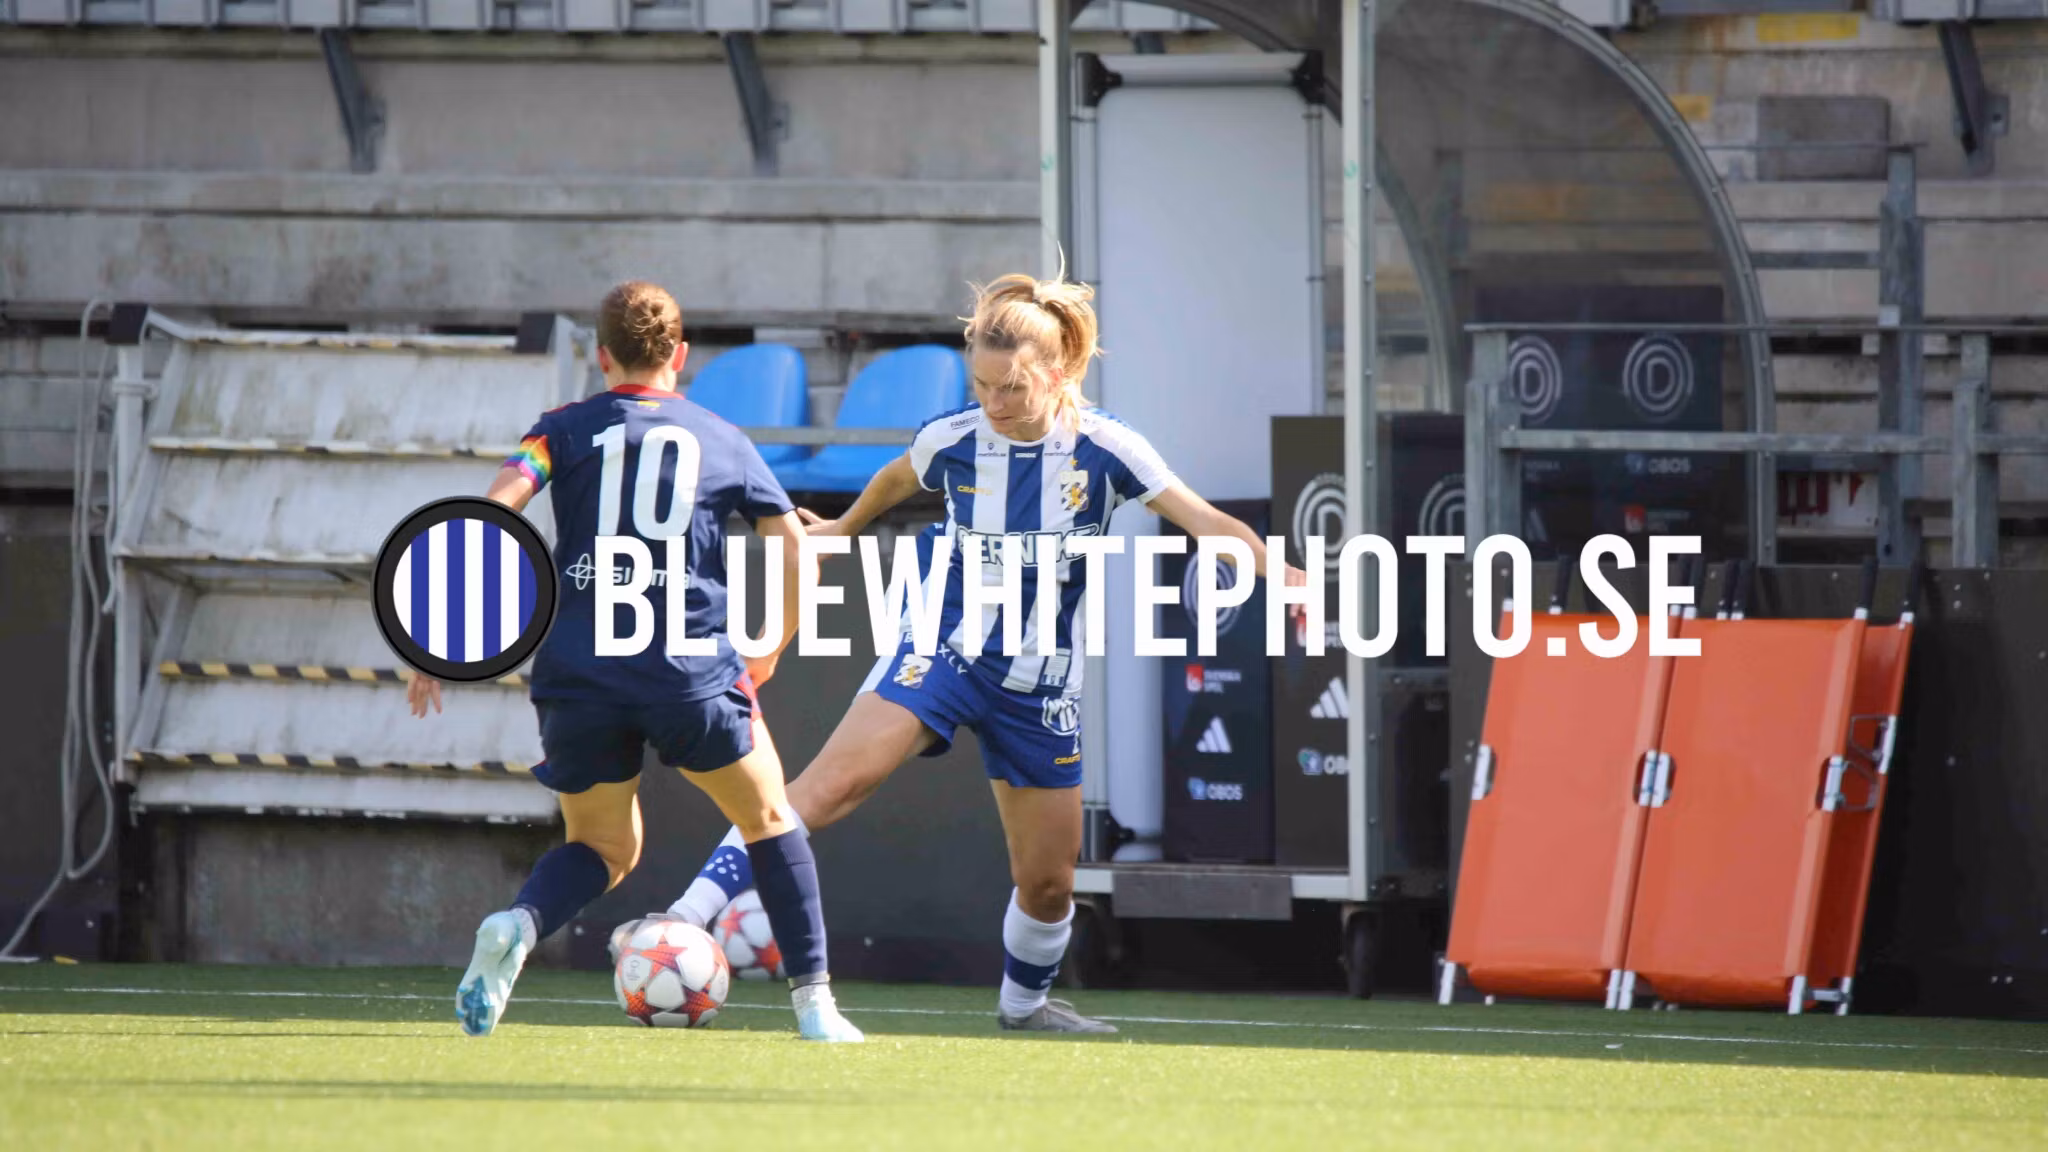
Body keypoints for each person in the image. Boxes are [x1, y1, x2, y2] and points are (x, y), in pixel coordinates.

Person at [621, 272, 1307, 1033]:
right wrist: (843, 530)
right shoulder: (952, 438)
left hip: (1040, 683)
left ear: (1055, 373)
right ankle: (683, 916)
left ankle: (1025, 1007)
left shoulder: (1107, 448)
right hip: (941, 646)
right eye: (981, 385)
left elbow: (1205, 520)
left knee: (1047, 886)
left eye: (1010, 387)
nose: (994, 403)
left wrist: (1277, 572)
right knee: (831, 785)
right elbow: (894, 478)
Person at [406, 279, 862, 1043]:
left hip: (579, 677)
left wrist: (441, 639)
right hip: (689, 676)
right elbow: (796, 552)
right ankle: (815, 1006)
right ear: (680, 356)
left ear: (601, 354)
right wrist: (771, 647)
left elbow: (489, 513)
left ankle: (519, 924)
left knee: (600, 847)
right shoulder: (723, 437)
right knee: (772, 820)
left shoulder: (558, 430)